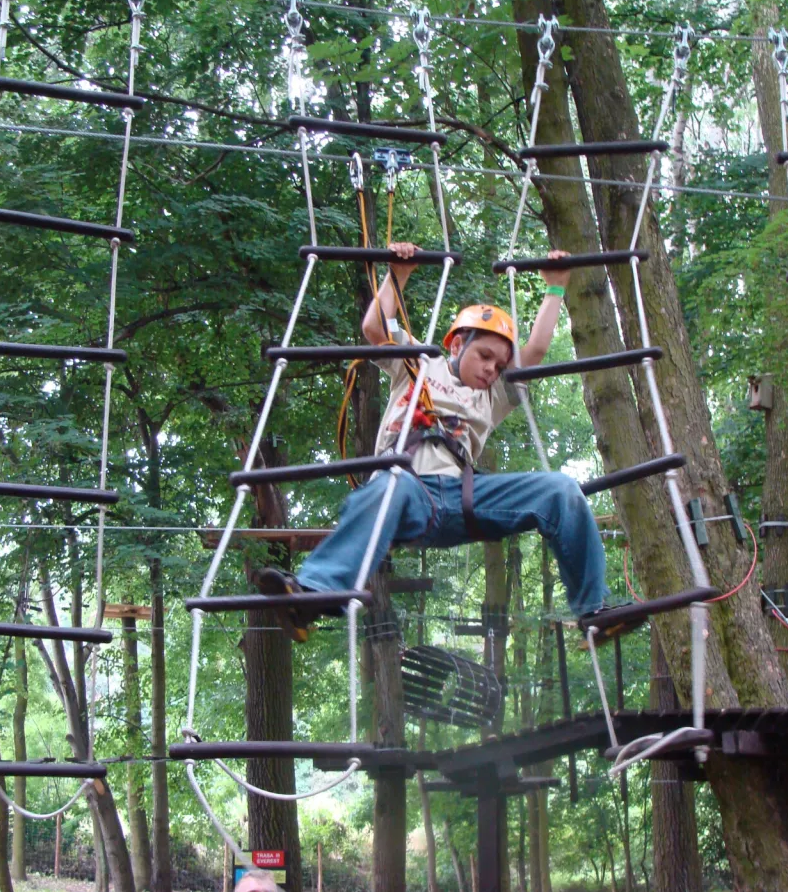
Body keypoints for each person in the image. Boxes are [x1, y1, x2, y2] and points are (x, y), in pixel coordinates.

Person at [263, 241, 617, 634]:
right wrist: (397, 276)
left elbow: (534, 351)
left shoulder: (492, 396)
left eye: (499, 364)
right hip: (410, 491)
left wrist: (555, 286)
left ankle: (594, 611)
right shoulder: (419, 364)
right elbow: (374, 329)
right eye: (484, 356)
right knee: (390, 483)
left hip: (465, 495)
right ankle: (314, 593)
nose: (491, 369)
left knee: (561, 489)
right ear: (457, 344)